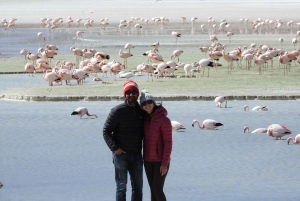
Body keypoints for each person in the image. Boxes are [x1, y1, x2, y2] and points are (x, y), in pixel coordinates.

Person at [103, 80, 145, 201]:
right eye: (128, 92)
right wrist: (114, 148)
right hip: (120, 155)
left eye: (134, 92)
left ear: (137, 94)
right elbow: (106, 131)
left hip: (137, 155)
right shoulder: (117, 111)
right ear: (124, 94)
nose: (131, 95)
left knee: (138, 187)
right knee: (121, 187)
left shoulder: (142, 111)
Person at [140, 92, 172, 201]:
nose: (147, 105)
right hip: (148, 160)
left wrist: (164, 164)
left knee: (157, 189)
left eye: (149, 102)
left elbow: (168, 143)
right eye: (144, 103)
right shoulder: (144, 120)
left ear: (154, 103)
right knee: (152, 190)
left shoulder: (164, 120)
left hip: (160, 161)